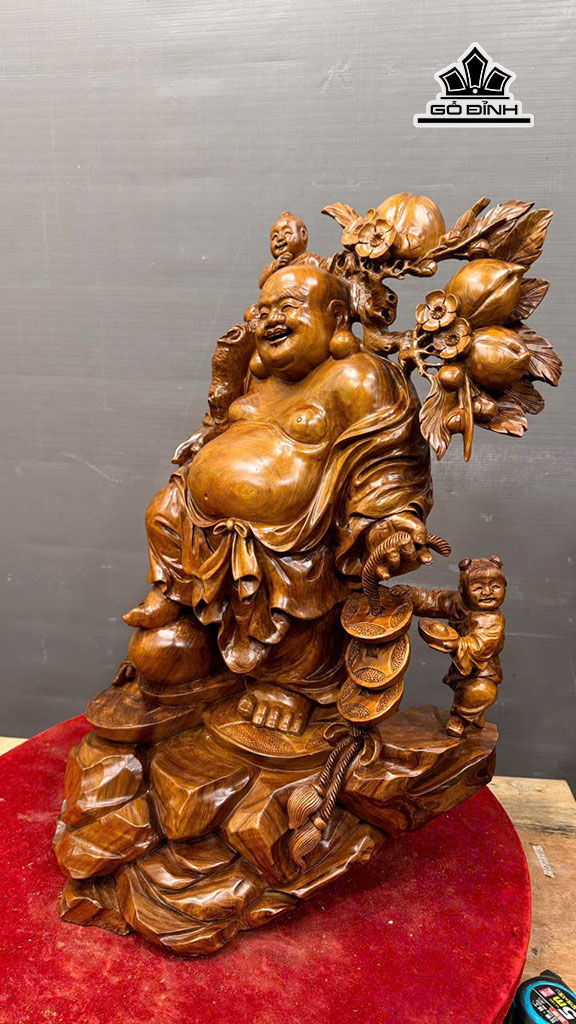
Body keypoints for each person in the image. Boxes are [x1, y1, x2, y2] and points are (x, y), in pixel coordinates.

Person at [124, 264, 433, 730]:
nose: (271, 319)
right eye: (263, 310)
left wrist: (390, 521)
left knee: (300, 584)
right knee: (164, 509)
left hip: (293, 535)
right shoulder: (261, 377)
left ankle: (292, 684)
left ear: (336, 317)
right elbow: (227, 429)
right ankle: (178, 593)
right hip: (205, 524)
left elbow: (387, 461)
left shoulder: (357, 376)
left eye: (288, 307)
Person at [391, 556, 506, 737]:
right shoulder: (457, 602)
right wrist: (411, 595)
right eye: (478, 588)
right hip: (461, 664)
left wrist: (458, 643)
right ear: (463, 590)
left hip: (484, 669)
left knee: (482, 691)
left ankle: (460, 719)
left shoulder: (493, 620)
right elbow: (433, 601)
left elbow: (483, 643)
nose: (487, 592)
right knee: (464, 690)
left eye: (496, 586)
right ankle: (474, 715)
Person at [258, 211, 320, 287]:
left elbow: (327, 269)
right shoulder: (273, 267)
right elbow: (261, 283)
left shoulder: (310, 260)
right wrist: (274, 267)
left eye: (287, 233)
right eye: (275, 236)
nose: (280, 238)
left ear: (303, 234)